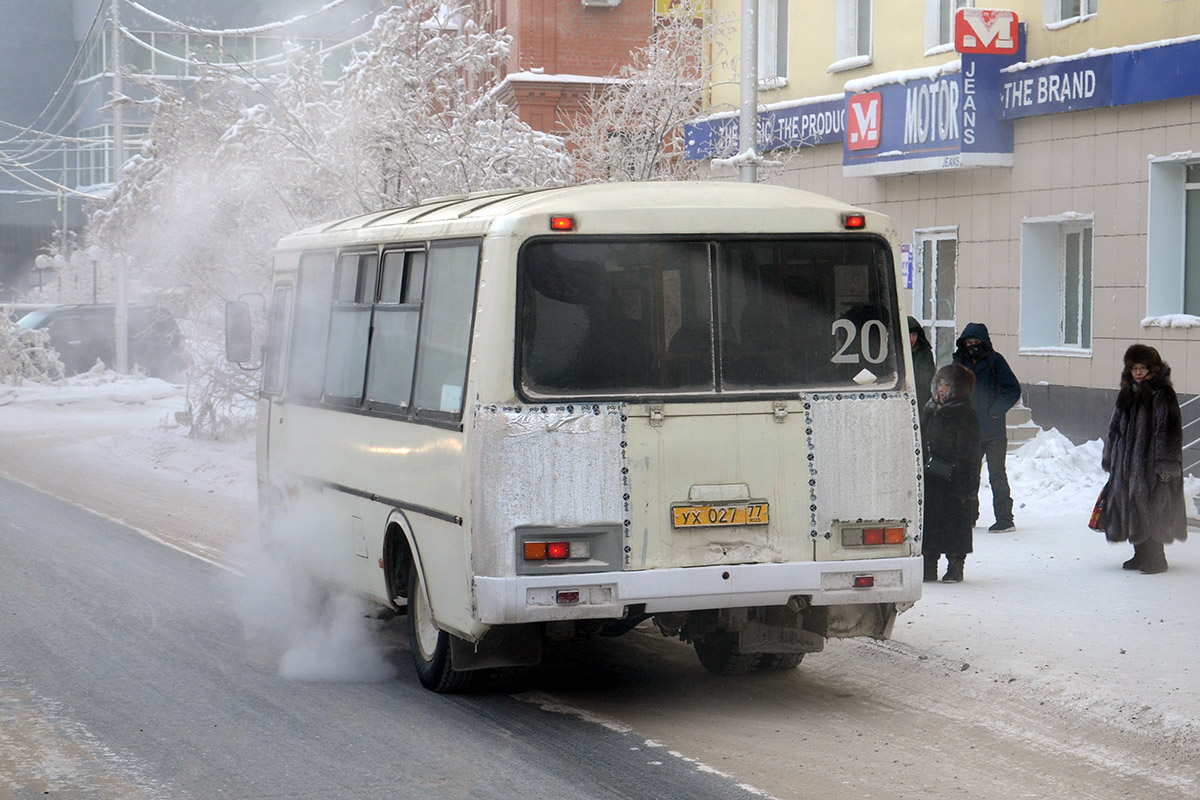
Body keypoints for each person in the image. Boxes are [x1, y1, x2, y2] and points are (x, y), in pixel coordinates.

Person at [1101, 344, 1187, 574]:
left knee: (1153, 509)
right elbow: (1115, 428)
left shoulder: (1162, 394)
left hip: (1152, 466)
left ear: (1154, 369)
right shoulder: (1128, 393)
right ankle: (1140, 554)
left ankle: (1157, 558)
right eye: (1134, 368)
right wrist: (1111, 456)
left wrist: (1166, 465)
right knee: (1131, 506)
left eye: (1143, 368)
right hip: (1126, 465)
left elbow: (1169, 431)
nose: (1138, 372)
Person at [952, 322, 1021, 532]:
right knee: (968, 475)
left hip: (993, 432)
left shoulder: (995, 361)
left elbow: (1012, 389)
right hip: (968, 430)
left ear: (984, 342)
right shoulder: (958, 364)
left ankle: (1005, 519)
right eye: (968, 342)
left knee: (997, 475)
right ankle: (967, 517)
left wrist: (996, 411)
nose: (972, 345)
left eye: (976, 342)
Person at [921, 364, 981, 583]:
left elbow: (971, 453)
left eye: (947, 385)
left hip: (955, 477)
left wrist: (967, 484)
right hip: (931, 476)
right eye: (940, 384)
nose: (942, 389)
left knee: (955, 522)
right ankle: (928, 563)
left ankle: (956, 564)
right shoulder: (929, 409)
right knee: (931, 521)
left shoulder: (965, 415)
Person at [907, 316, 935, 411]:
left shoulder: (926, 354)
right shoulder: (894, 355)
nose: (911, 339)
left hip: (922, 405)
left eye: (914, 335)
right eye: (908, 334)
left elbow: (932, 381)